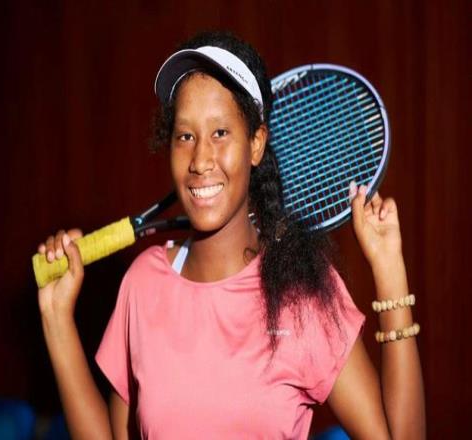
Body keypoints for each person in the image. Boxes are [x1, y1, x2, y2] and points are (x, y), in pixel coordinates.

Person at [37, 31, 425, 439]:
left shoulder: (300, 293)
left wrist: (389, 269)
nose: (200, 160)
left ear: (256, 144)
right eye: (185, 136)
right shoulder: (142, 284)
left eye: (220, 133)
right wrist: (56, 319)